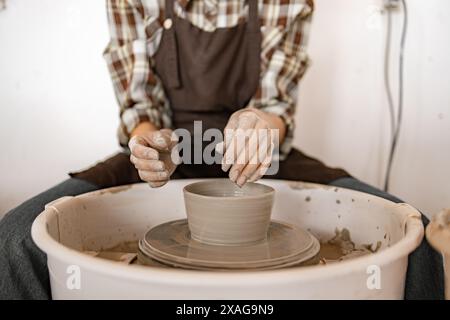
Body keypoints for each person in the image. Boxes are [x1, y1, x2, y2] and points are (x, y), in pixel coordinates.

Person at [0, 0, 444, 299]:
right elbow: (138, 103)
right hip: (164, 149)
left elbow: (275, 104)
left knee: (417, 238)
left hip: (261, 148)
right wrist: (150, 143)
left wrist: (258, 123)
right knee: (16, 239)